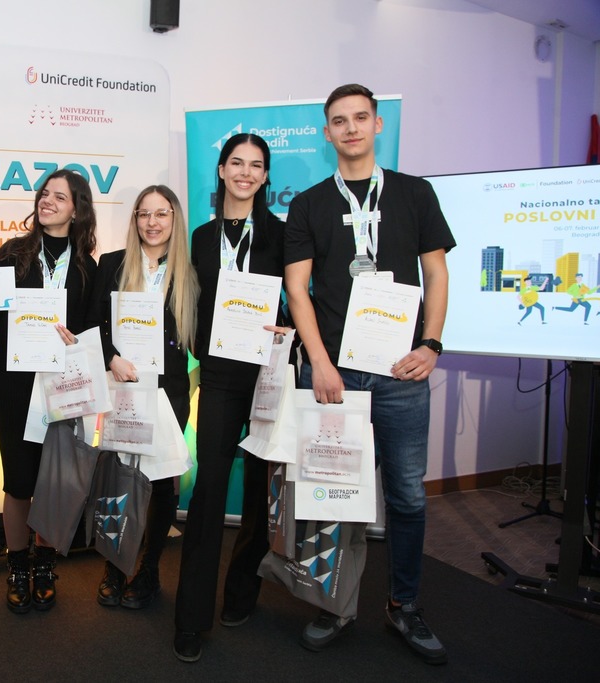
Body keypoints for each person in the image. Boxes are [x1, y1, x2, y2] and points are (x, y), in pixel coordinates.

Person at [284, 83, 455, 664]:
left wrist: (431, 344)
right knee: (334, 496)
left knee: (407, 495)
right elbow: (298, 290)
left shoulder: (414, 193)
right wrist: (319, 363)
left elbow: (436, 274)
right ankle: (334, 604)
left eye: (361, 117)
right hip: (336, 376)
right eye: (339, 120)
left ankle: (403, 605)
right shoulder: (309, 204)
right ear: (326, 132)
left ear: (378, 125)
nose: (351, 128)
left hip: (402, 373)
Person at [174, 133, 288, 663]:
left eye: (256, 165)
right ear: (221, 171)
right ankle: (191, 617)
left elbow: (300, 298)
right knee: (209, 490)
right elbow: (189, 301)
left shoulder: (282, 235)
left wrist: (285, 328)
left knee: (261, 490)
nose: (245, 172)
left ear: (265, 176)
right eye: (236, 163)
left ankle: (242, 593)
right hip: (219, 375)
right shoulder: (201, 236)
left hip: (268, 373)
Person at [0, 169, 98, 613]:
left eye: (59, 197)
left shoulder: (87, 266)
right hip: (12, 381)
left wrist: (77, 339)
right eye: (45, 194)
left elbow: (91, 329)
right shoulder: (13, 252)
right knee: (18, 481)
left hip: (62, 383)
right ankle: (17, 567)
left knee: (55, 479)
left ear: (77, 209)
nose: (47, 201)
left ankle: (45, 565)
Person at [86, 185, 198, 610]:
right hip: (122, 387)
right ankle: (114, 565)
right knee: (118, 477)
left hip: (169, 391)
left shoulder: (192, 272)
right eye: (144, 214)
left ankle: (149, 569)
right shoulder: (112, 263)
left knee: (163, 480)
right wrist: (111, 358)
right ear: (134, 220)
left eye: (161, 214)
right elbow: (92, 323)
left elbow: (203, 335)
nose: (152, 222)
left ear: (174, 219)